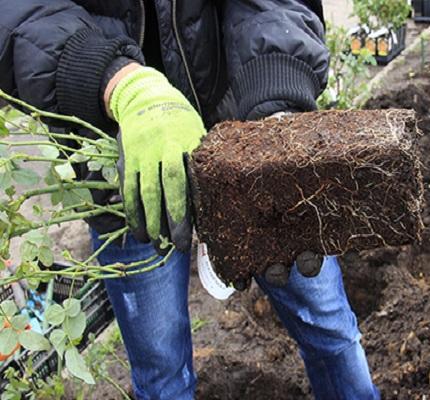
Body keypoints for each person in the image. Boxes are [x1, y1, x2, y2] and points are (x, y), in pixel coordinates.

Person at [0, 1, 380, 399]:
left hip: (244, 147)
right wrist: (114, 79)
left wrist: (275, 102)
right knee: (163, 376)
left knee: (329, 327)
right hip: (124, 167)